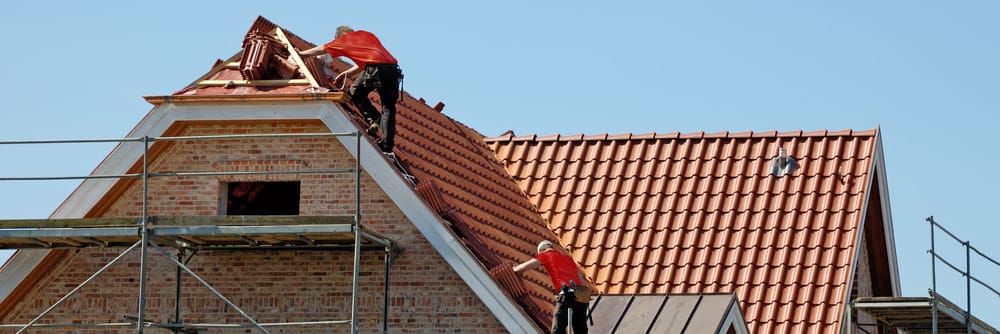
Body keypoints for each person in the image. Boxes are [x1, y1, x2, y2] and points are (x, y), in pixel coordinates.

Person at [300, 26, 402, 153]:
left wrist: (301, 54)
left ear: (341, 34)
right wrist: (345, 74)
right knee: (388, 109)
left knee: (355, 92)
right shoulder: (366, 34)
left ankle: (375, 118)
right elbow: (364, 63)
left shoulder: (344, 39)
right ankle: (387, 146)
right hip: (392, 70)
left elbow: (322, 49)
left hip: (376, 69)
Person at [514, 240, 592, 334]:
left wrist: (514, 269)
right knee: (580, 329)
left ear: (542, 250)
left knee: (558, 326)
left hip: (568, 294)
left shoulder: (546, 255)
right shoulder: (567, 258)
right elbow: (581, 279)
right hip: (582, 296)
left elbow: (524, 267)